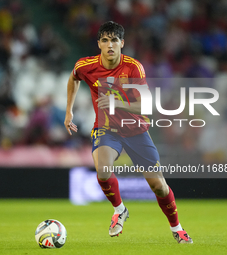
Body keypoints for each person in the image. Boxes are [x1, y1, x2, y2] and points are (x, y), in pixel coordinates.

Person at [64, 21, 193, 243]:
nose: (110, 45)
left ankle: (177, 228)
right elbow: (74, 78)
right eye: (105, 40)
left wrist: (115, 103)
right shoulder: (86, 65)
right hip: (106, 129)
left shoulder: (133, 68)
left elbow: (145, 105)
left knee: (159, 187)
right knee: (103, 171)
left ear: (122, 43)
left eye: (114, 40)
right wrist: (69, 111)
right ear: (99, 44)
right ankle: (120, 210)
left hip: (136, 130)